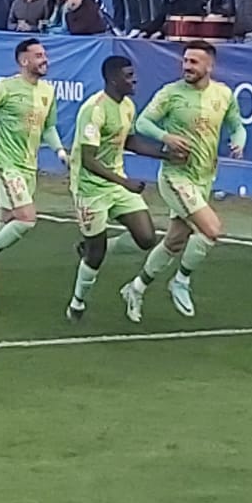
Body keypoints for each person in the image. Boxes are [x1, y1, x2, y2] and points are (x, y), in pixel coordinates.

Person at [121, 42, 245, 321]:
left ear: (209, 66)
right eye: (185, 61)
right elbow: (143, 123)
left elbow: (237, 125)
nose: (187, 66)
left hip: (204, 177)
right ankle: (181, 281)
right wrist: (166, 137)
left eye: (194, 62)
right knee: (211, 230)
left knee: (175, 241)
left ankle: (136, 288)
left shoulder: (224, 94)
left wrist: (238, 141)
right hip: (175, 176)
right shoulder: (170, 93)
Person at [0, 37, 66, 304]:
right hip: (5, 165)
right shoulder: (4, 88)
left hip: (29, 167)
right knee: (26, 218)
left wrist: (60, 152)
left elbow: (49, 127)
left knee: (6, 224)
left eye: (45, 55)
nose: (45, 60)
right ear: (24, 60)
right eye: (39, 55)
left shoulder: (47, 92)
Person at [64, 54, 166, 323]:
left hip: (116, 182)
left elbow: (129, 141)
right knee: (95, 257)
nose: (134, 80)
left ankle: (90, 245)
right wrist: (126, 183)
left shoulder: (128, 106)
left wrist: (164, 155)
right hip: (90, 188)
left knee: (146, 238)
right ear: (112, 79)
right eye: (128, 76)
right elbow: (88, 159)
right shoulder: (94, 110)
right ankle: (77, 302)